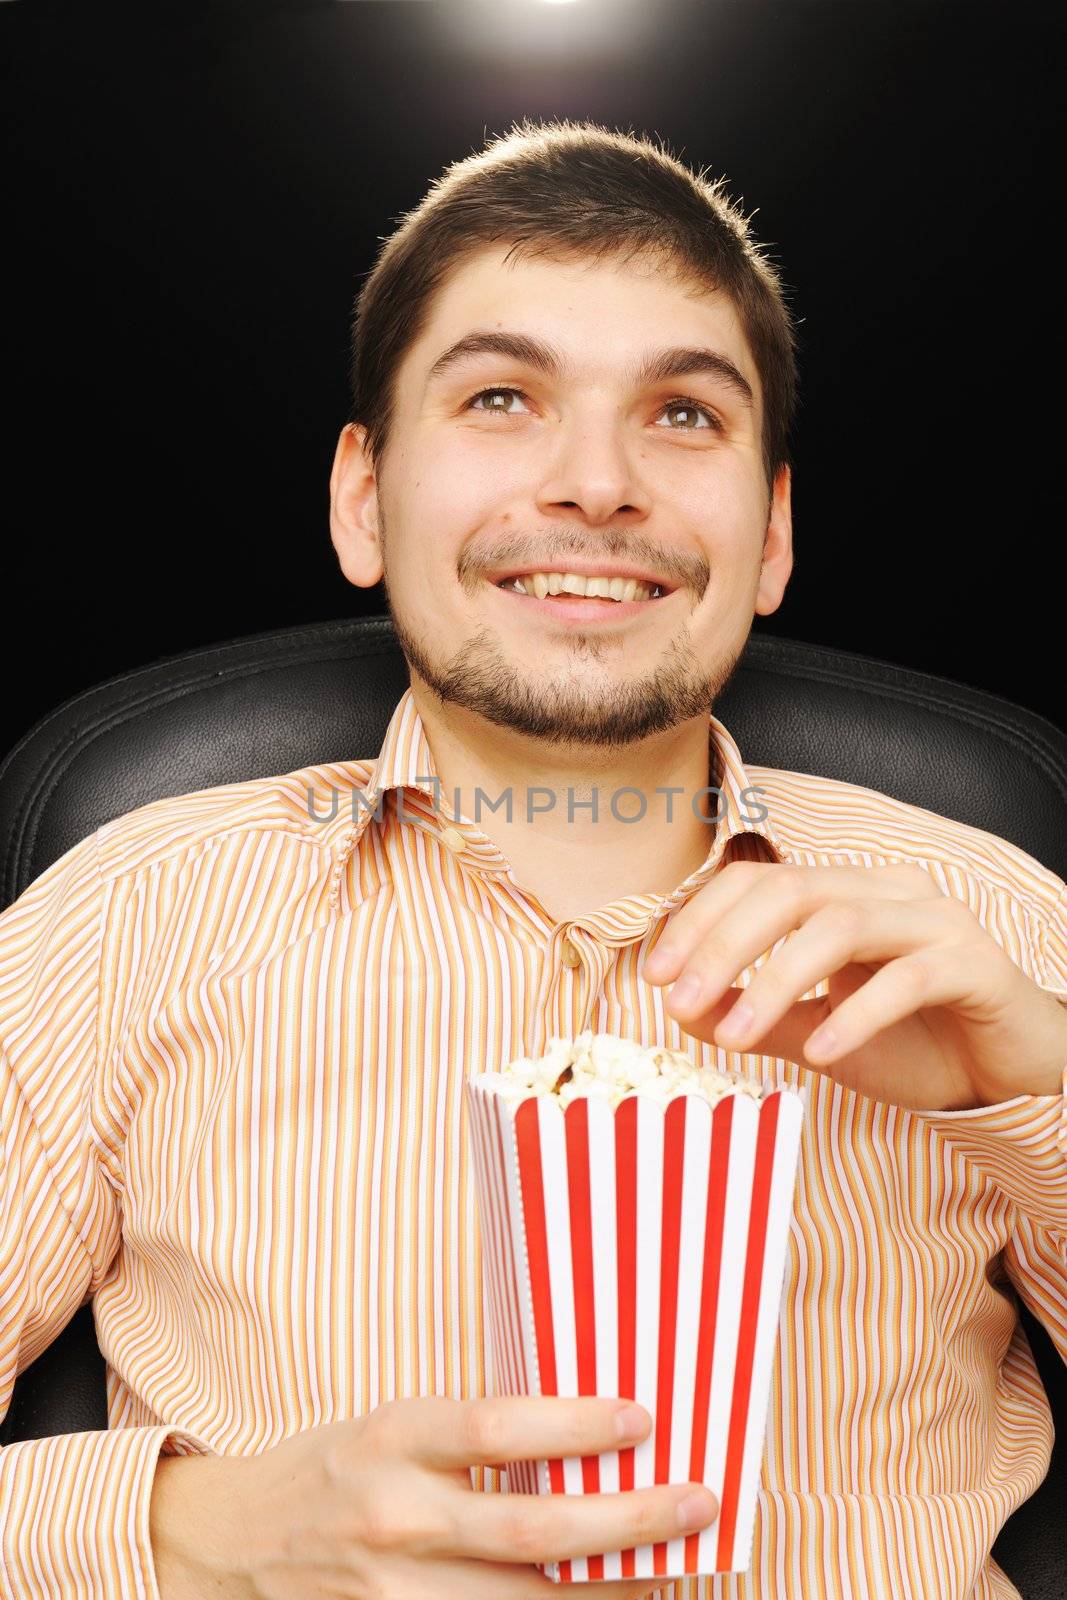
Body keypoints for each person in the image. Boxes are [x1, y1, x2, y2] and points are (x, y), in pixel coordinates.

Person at [1, 117, 1064, 1600]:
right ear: (364, 500)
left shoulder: (997, 919)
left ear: (772, 531)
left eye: (684, 416)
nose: (596, 484)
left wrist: (1046, 1086)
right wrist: (198, 1531)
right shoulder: (128, 919)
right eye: (503, 398)